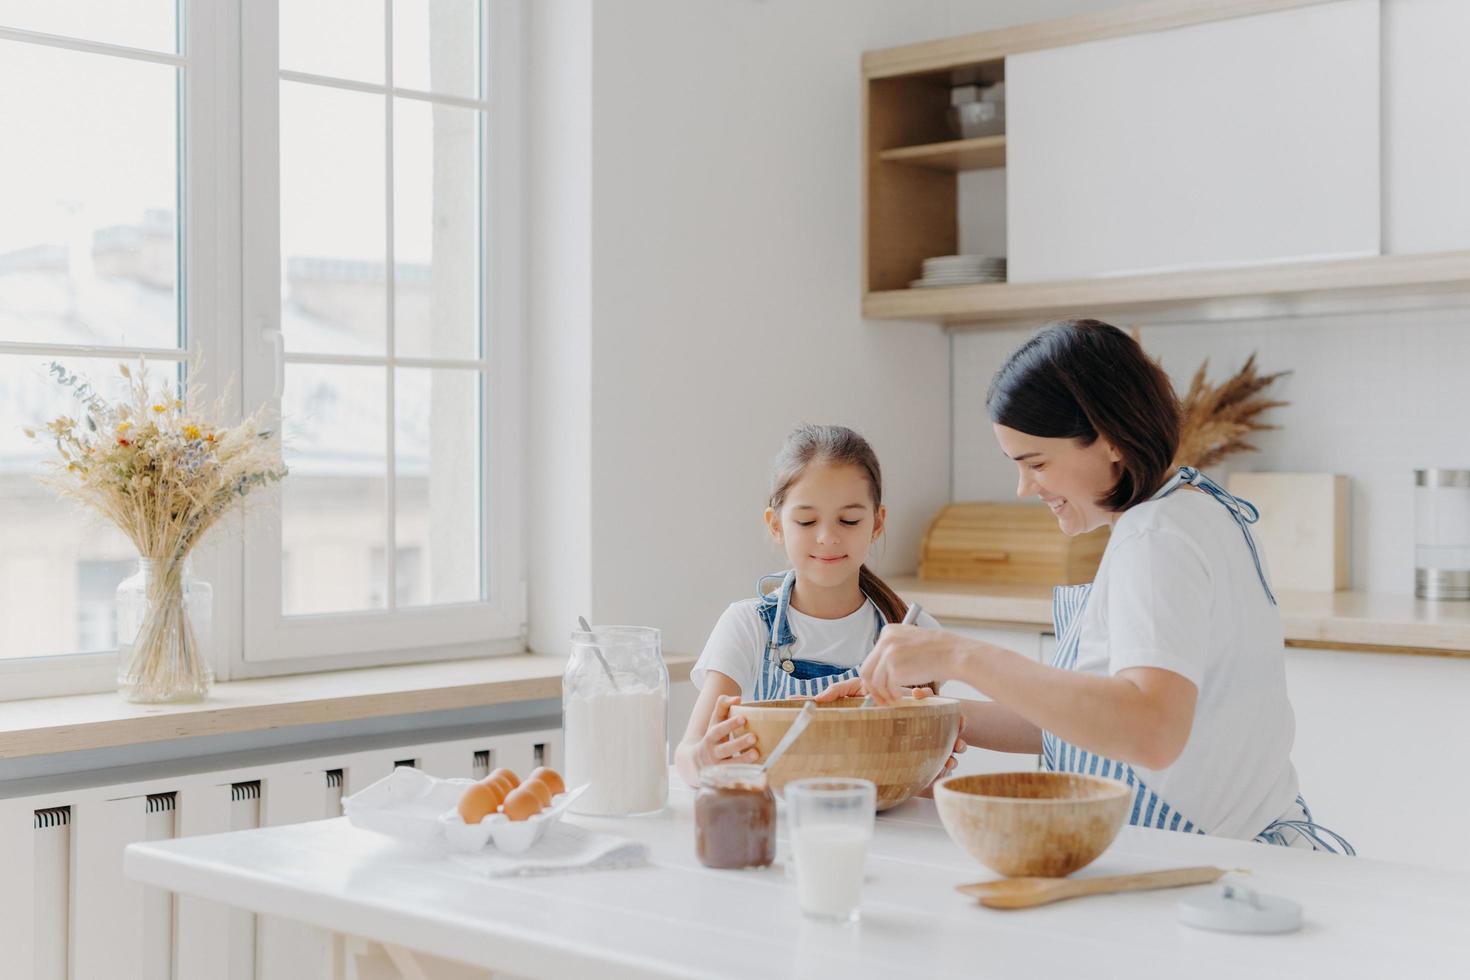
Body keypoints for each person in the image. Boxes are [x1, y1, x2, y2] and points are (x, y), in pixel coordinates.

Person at [832, 319, 1352, 851]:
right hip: (1240, 855)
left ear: (1107, 439)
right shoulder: (1199, 509)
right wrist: (929, 716)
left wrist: (957, 655)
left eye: (1036, 463)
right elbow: (1092, 725)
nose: (1023, 487)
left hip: (1201, 865)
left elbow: (1149, 730)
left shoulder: (1154, 539)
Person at [673, 424, 947, 788]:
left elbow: (924, 787)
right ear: (776, 525)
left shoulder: (912, 630)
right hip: (774, 831)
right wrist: (702, 759)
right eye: (806, 521)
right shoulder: (747, 626)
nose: (828, 537)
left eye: (849, 520)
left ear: (877, 523)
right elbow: (688, 755)